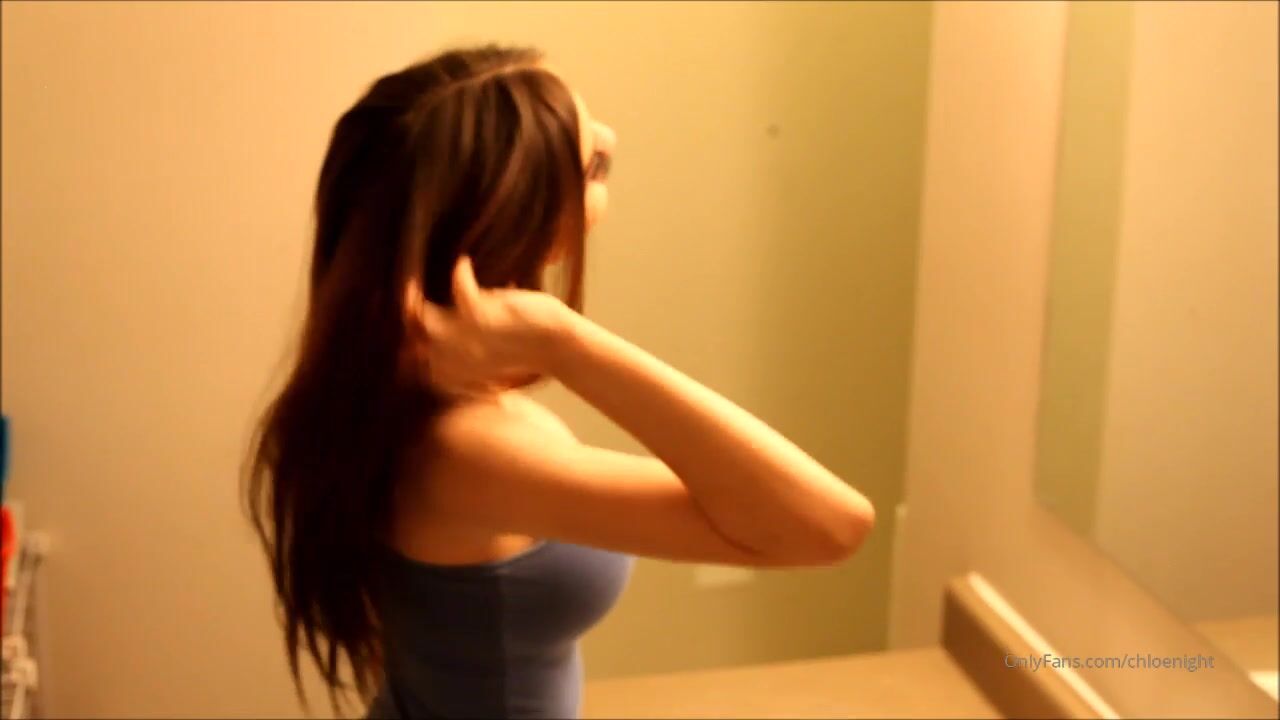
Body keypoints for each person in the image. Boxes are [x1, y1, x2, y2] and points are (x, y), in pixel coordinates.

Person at [244, 44, 876, 720]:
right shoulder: (472, 452)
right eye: (594, 164)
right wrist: (564, 341)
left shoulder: (365, 386)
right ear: (533, 224)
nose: (612, 137)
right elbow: (826, 526)